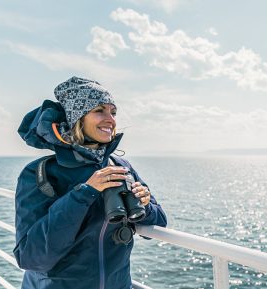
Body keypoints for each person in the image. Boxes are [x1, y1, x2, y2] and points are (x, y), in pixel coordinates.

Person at [14, 76, 167, 289]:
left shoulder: (120, 166)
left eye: (113, 112)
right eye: (99, 111)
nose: (110, 119)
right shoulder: (41, 174)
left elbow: (159, 224)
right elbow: (30, 257)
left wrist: (146, 205)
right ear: (77, 118)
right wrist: (85, 193)